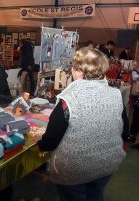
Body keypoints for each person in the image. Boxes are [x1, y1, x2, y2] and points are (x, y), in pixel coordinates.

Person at [33, 47, 127, 201]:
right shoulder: (115, 94)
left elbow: (51, 141)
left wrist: (41, 143)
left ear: (79, 72)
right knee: (95, 196)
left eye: (74, 66)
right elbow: (124, 130)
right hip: (106, 166)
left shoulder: (68, 100)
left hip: (74, 170)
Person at [18, 32, 35, 96]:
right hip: (29, 62)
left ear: (25, 36)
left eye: (22, 36)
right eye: (20, 36)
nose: (21, 37)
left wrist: (29, 64)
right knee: (30, 77)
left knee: (30, 77)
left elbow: (28, 54)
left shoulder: (26, 43)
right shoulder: (29, 42)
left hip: (28, 63)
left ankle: (31, 91)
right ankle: (31, 91)